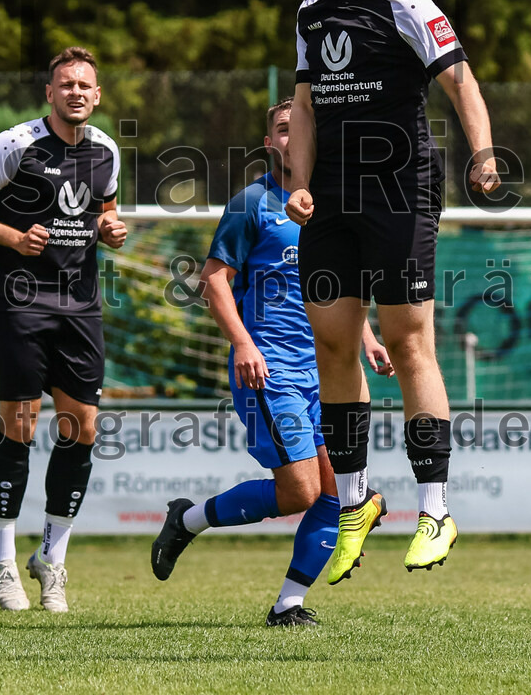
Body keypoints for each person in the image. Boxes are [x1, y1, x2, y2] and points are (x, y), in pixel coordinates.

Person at [275, 0, 501, 584]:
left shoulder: (406, 2)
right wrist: (299, 182)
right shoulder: (310, 13)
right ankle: (353, 503)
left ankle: (434, 509)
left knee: (407, 342)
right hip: (333, 194)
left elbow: (460, 80)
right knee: (333, 342)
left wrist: (484, 156)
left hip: (400, 188)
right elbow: (306, 107)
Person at [150, 97, 393, 626]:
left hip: (326, 372)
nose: (291, 137)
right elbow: (214, 280)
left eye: (299, 129)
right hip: (270, 370)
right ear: (269, 142)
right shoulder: (252, 203)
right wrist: (243, 343)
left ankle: (289, 604)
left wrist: (367, 339)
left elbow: (337, 289)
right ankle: (187, 520)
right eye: (282, 129)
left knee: (339, 489)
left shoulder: (330, 204)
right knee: (302, 491)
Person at [0, 46, 127, 611]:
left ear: (97, 97)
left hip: (81, 308)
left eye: (85, 85)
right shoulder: (15, 145)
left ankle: (52, 559)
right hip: (22, 305)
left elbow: (105, 213)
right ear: (49, 93)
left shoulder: (107, 151)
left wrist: (111, 229)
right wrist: (15, 238)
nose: (76, 91)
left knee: (83, 431)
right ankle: (3, 562)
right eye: (66, 83)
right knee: (20, 426)